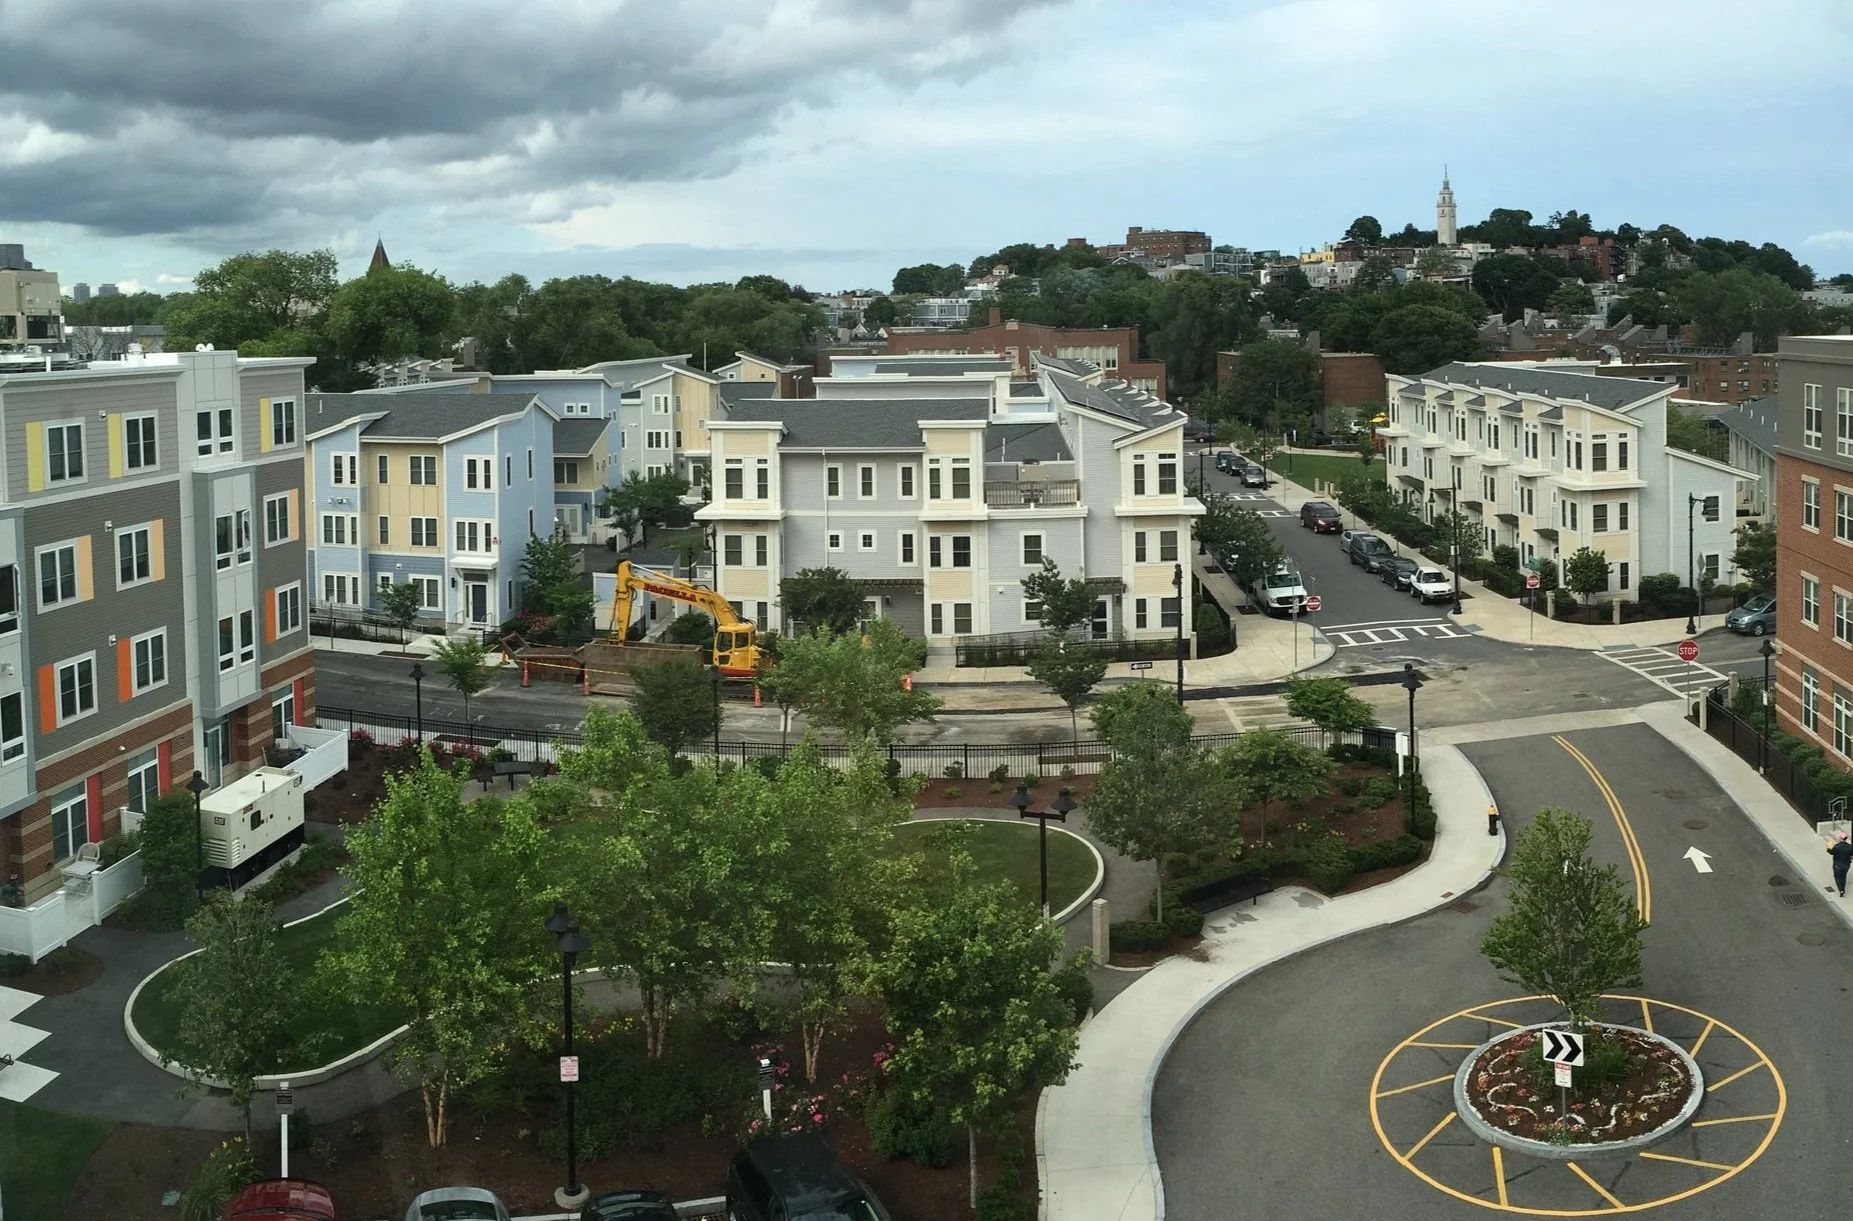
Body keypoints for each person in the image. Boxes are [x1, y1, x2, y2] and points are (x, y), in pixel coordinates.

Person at [1828, 830, 1853, 897]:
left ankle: (1841, 889)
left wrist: (1828, 848)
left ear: (1840, 838)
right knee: (1843, 876)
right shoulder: (1850, 847)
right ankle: (1843, 888)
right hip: (1846, 864)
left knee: (1837, 877)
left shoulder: (1837, 846)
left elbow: (1831, 852)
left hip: (1837, 864)